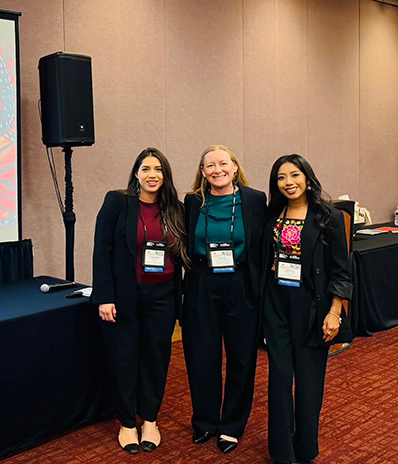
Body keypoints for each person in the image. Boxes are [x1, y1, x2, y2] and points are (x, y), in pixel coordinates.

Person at [92, 147, 188, 454]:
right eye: (146, 169)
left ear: (165, 175)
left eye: (158, 169)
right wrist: (104, 297)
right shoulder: (117, 202)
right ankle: (126, 423)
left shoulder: (175, 208)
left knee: (156, 359)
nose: (152, 175)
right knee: (124, 359)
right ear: (136, 173)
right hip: (125, 295)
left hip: (163, 297)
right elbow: (102, 250)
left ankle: (149, 419)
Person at [261, 154, 352, 464]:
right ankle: (282, 452)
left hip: (313, 307)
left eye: (295, 175)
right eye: (281, 177)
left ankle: (305, 449)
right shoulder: (272, 215)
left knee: (309, 381)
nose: (288, 182)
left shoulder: (329, 217)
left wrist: (334, 312)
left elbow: (341, 271)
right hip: (276, 305)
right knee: (279, 378)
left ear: (308, 179)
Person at [181, 145, 267, 454]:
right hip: (202, 283)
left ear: (234, 166)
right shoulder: (193, 202)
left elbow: (262, 247)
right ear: (202, 172)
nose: (217, 170)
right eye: (210, 165)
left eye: (223, 163)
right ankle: (205, 421)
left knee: (241, 357)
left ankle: (232, 426)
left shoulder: (255, 200)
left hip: (240, 283)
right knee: (201, 355)